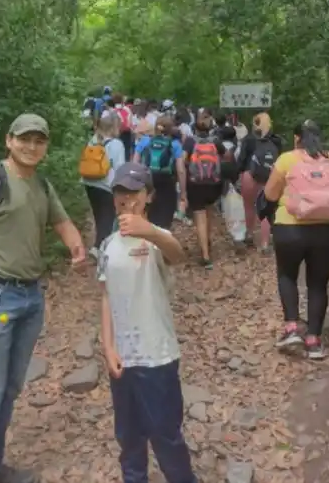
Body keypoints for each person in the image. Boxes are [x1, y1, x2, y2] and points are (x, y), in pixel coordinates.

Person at [0, 114, 87, 483]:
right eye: (24, 139)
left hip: (30, 297)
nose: (31, 146)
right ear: (9, 140)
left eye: (39, 140)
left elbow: (61, 221)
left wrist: (75, 244)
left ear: (45, 145)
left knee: (9, 390)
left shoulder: (41, 184)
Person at [98, 162, 196, 483]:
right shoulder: (108, 246)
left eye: (134, 192)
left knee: (166, 434)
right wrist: (108, 346)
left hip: (157, 355)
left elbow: (178, 255)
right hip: (123, 359)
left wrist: (149, 231)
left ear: (148, 196)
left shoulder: (158, 238)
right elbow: (106, 297)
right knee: (129, 436)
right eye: (120, 193)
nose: (127, 199)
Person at [260, 119, 329, 361]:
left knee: (287, 275)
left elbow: (270, 194)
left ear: (297, 138)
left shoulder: (287, 159)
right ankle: (314, 341)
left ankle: (292, 329)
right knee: (318, 284)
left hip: (290, 229)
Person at [182, 112, 228, 269]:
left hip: (195, 184)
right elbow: (227, 156)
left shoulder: (189, 141)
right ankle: (207, 241)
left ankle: (205, 256)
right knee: (209, 214)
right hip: (213, 184)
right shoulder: (216, 141)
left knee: (200, 218)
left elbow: (182, 159)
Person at [236, 112, 282, 253]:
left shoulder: (248, 139)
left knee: (249, 207)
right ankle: (265, 244)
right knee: (266, 210)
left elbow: (241, 161)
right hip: (269, 176)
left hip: (250, 176)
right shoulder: (276, 140)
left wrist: (238, 175)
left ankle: (249, 235)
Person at [82, 114, 127, 248]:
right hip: (107, 185)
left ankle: (98, 245)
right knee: (107, 219)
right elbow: (119, 167)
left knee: (98, 216)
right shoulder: (116, 144)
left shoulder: (93, 140)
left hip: (89, 182)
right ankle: (100, 249)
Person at [133, 115, 185, 230]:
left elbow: (135, 163)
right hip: (167, 182)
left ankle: (149, 241)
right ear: (171, 129)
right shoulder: (175, 144)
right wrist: (183, 192)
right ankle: (162, 239)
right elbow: (181, 170)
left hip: (147, 181)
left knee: (148, 213)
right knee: (165, 216)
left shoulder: (145, 141)